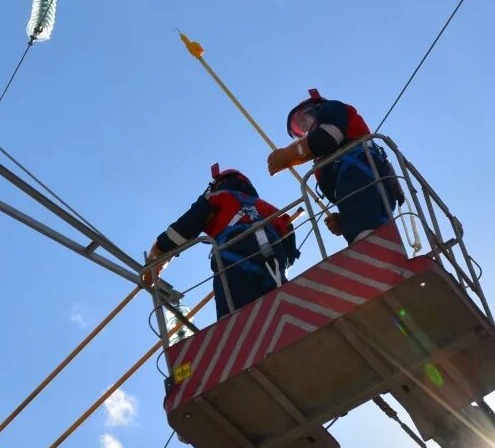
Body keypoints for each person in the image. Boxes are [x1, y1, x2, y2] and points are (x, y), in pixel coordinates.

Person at [144, 164, 300, 318]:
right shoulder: (264, 206)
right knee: (278, 308)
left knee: (236, 318)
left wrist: (157, 256)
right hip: (274, 259)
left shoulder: (217, 198)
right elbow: (288, 235)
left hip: (235, 254)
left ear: (219, 183)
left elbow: (183, 229)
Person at [266, 89, 403, 244]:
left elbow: (327, 136)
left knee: (364, 229)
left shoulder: (332, 108)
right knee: (369, 227)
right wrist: (344, 220)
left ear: (316, 107)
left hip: (361, 174)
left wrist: (288, 155)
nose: (305, 129)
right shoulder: (326, 158)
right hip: (369, 189)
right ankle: (367, 242)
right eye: (300, 129)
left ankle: (367, 243)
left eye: (304, 120)